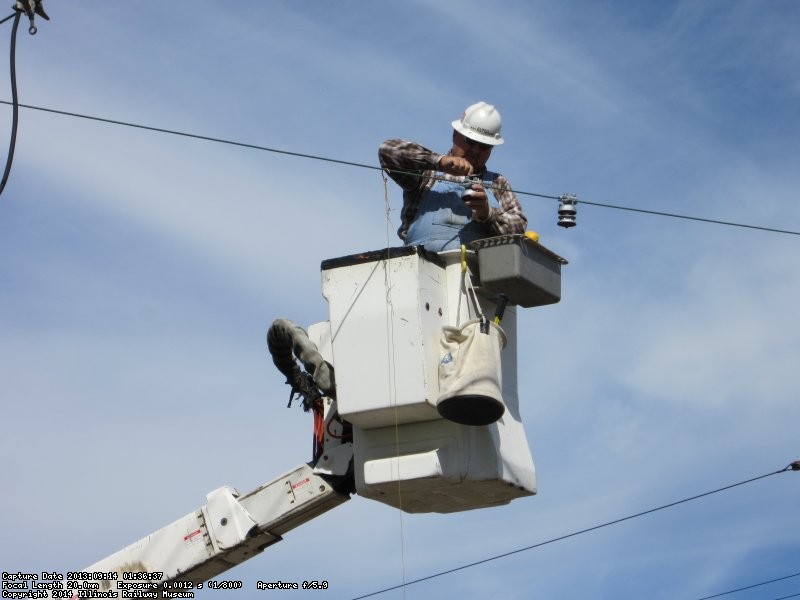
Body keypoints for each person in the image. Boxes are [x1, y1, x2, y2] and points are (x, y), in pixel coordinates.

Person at [379, 101, 527, 252]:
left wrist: (487, 212)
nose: (476, 150)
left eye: (484, 146)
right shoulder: (428, 173)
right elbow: (387, 150)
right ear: (455, 134)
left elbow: (519, 229)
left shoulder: (497, 183)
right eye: (471, 141)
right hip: (419, 267)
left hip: (475, 271)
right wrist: (439, 161)